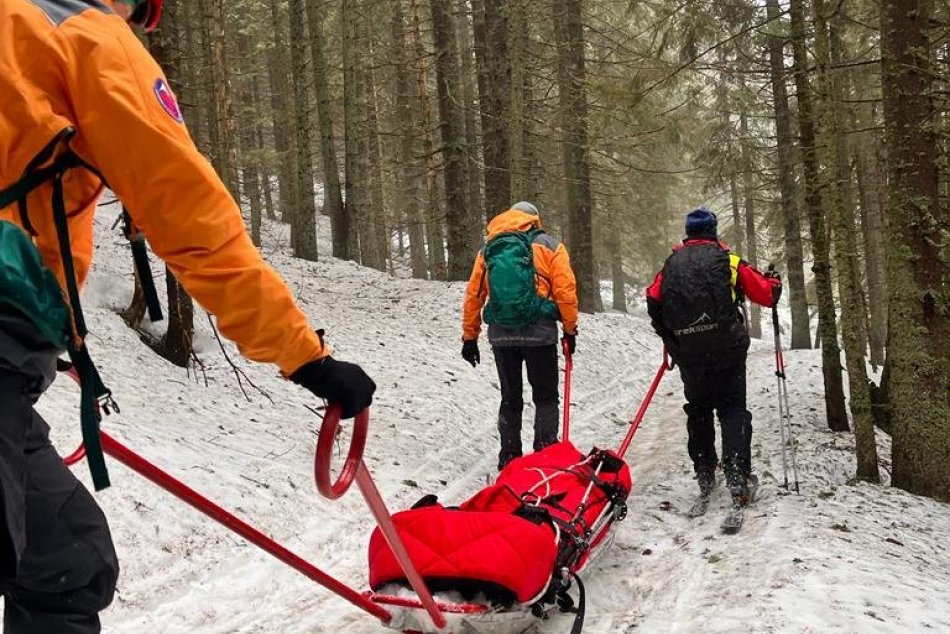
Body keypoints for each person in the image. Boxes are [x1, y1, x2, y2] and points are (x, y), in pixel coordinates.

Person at [0, 1, 375, 632]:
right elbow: (189, 216)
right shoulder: (83, 31)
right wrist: (306, 356)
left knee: (66, 555)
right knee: (64, 564)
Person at [646, 208, 781, 505]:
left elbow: (653, 298)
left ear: (688, 232)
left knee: (699, 409)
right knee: (732, 409)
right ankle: (737, 473)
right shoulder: (728, 261)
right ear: (713, 231)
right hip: (727, 349)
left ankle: (705, 471)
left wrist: (671, 338)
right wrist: (775, 282)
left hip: (689, 352)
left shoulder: (671, 265)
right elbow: (766, 295)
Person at [461, 202, 578, 471]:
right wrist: (570, 330)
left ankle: (510, 456)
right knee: (546, 396)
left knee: (510, 397)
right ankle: (545, 454)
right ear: (535, 220)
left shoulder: (488, 249)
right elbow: (566, 292)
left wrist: (470, 336)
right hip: (540, 334)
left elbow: (474, 295)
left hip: (501, 335)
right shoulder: (550, 246)